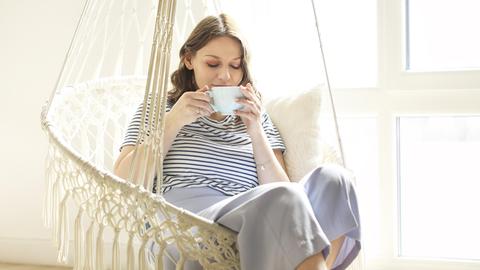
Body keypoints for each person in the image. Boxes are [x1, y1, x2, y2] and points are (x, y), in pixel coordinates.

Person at [113, 13, 360, 270]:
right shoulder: (159, 108)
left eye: (235, 66)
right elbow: (122, 181)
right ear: (189, 59)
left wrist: (255, 130)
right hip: (187, 227)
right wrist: (173, 121)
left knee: (335, 180)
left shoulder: (257, 117)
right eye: (212, 64)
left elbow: (286, 194)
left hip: (255, 223)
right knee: (282, 198)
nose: (225, 77)